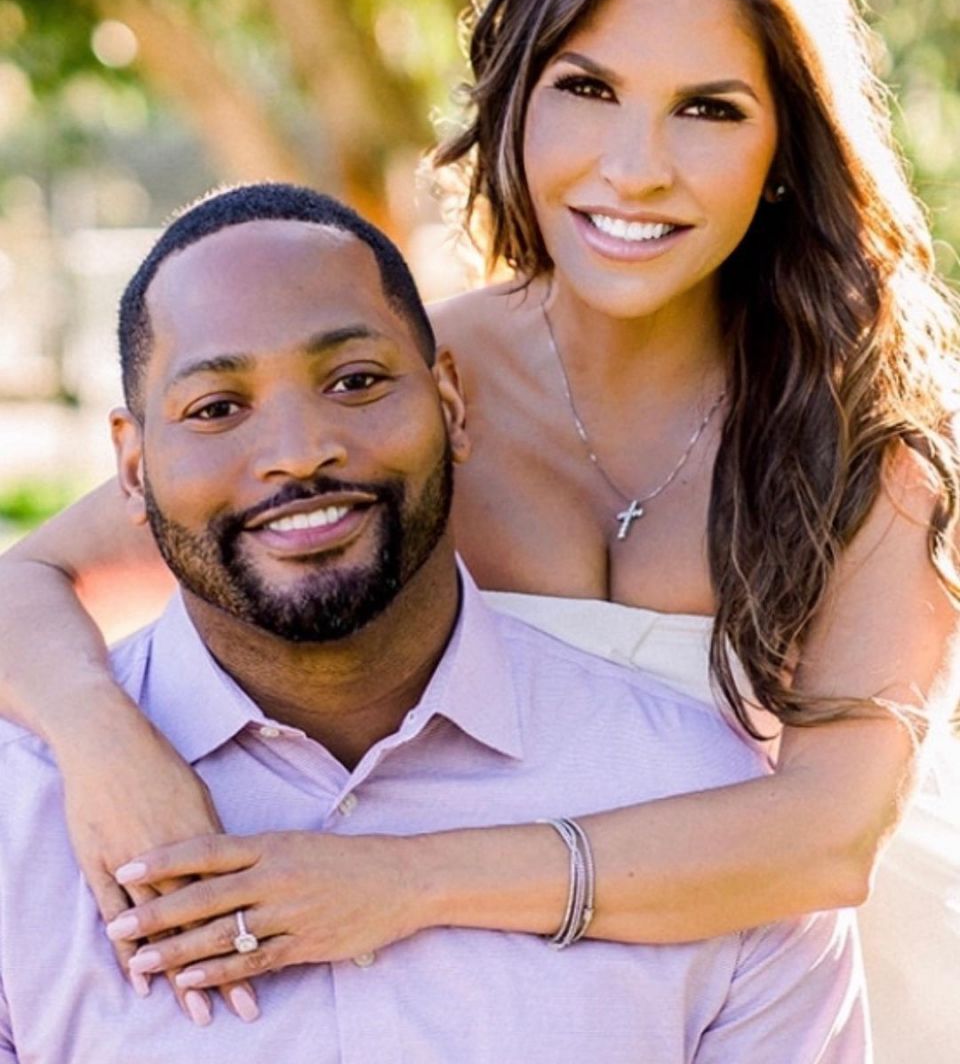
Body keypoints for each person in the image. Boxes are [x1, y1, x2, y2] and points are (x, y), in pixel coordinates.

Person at [0, 0, 957, 1058]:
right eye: (587, 90)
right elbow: (25, 584)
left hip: (819, 980)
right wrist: (105, 753)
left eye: (707, 108)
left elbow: (827, 839)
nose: (636, 167)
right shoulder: (399, 388)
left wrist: (397, 883)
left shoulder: (874, 433)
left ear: (783, 144)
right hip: (522, 1002)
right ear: (513, 100)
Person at [0, 183, 868, 1062]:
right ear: (134, 465)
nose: (301, 452)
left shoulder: (707, 814)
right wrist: (91, 735)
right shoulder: (20, 823)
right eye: (218, 407)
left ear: (451, 403)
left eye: (357, 381)